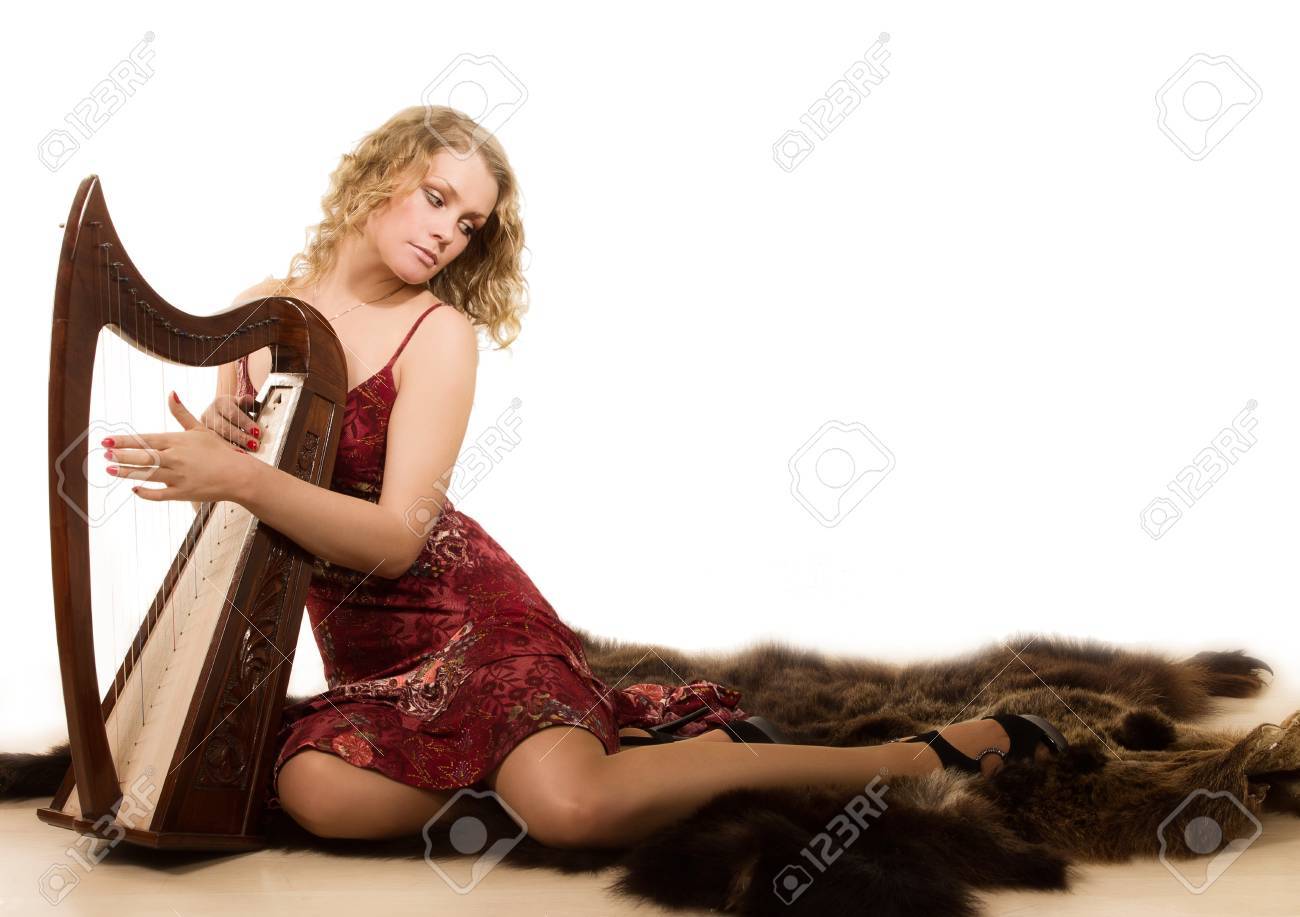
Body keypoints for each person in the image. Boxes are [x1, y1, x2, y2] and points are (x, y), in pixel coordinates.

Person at [102, 105, 1067, 851]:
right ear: (378, 177)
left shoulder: (437, 334)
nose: (447, 234)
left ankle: (897, 755)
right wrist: (226, 447)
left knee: (569, 809)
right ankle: (566, 776)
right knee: (316, 792)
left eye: (468, 223)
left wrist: (241, 481)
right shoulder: (259, 313)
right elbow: (266, 493)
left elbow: (395, 539)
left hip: (469, 623)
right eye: (435, 198)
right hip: (370, 660)